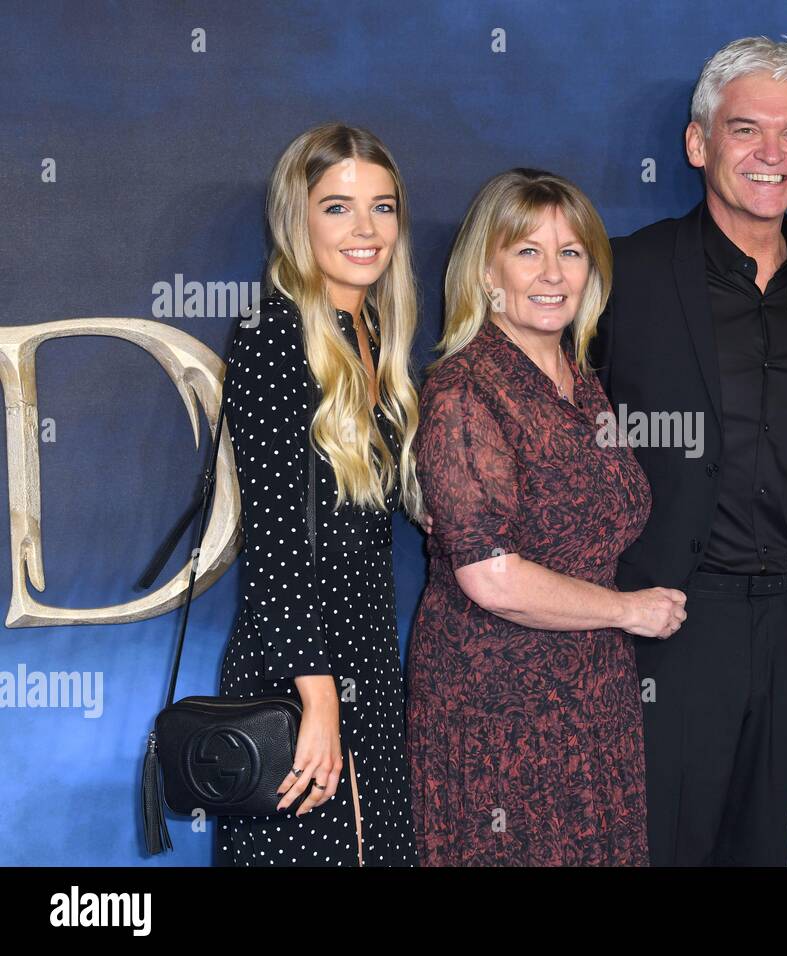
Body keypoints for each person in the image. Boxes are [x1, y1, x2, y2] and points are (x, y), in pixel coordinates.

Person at [590, 37, 787, 866]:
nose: (771, 154)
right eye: (746, 129)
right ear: (697, 142)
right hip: (668, 625)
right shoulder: (621, 273)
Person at [407, 168, 685, 866]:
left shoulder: (579, 380)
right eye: (528, 250)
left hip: (591, 695)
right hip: (496, 702)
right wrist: (627, 611)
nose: (553, 272)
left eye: (572, 251)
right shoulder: (464, 389)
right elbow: (492, 578)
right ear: (486, 269)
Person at [217, 123, 424, 866]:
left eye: (383, 206)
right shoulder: (273, 333)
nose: (366, 230)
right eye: (337, 207)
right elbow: (275, 542)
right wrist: (319, 697)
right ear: (297, 219)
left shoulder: (370, 330)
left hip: (366, 657)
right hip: (297, 667)